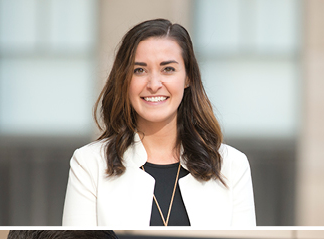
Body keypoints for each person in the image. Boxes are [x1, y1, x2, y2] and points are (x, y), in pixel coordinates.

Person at [62, 19, 256, 227]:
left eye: (168, 69)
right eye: (139, 70)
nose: (154, 85)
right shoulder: (89, 164)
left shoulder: (232, 165)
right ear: (124, 80)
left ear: (188, 77)